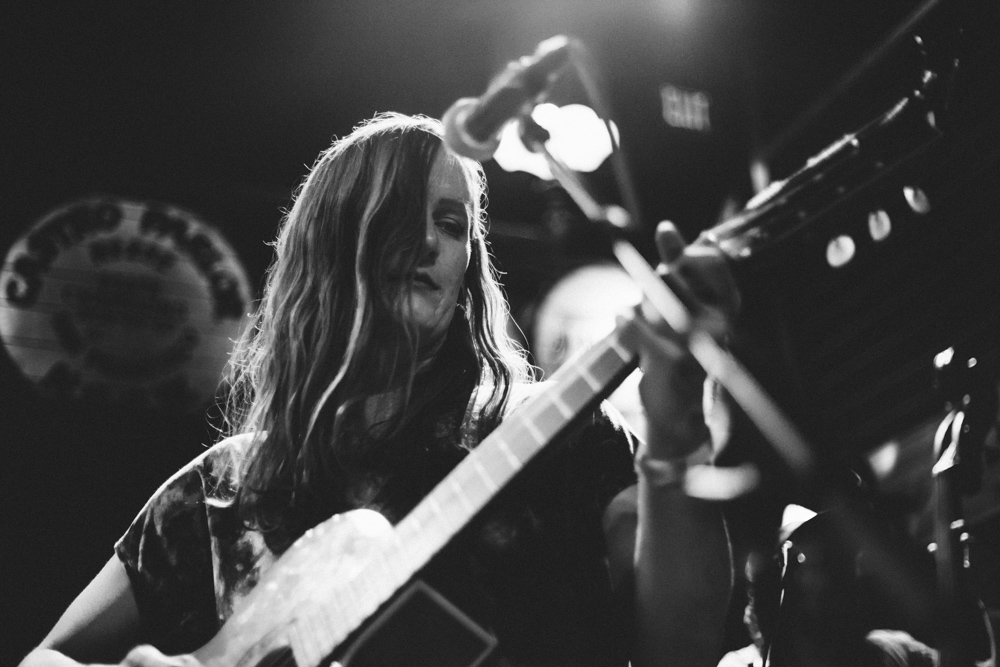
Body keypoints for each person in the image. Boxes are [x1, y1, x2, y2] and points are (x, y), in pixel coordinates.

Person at [18, 112, 737, 667]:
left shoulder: (564, 435)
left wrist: (679, 429)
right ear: (331, 243)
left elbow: (686, 650)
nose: (429, 242)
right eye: (398, 212)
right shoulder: (220, 492)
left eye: (451, 225)